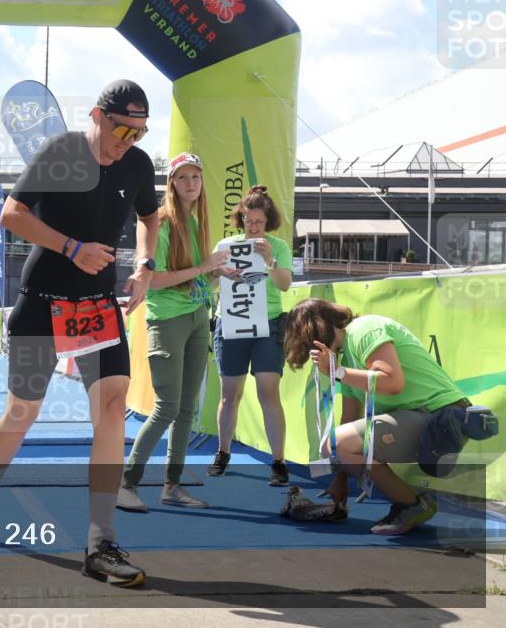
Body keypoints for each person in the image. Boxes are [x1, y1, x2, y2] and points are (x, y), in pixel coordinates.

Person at [0, 80, 160, 587]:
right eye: (122, 129)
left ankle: (100, 542)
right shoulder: (62, 153)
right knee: (22, 414)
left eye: (139, 132)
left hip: (97, 306)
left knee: (113, 408)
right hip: (43, 304)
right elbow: (11, 214)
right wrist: (72, 248)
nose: (128, 141)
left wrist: (145, 264)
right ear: (96, 116)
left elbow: (149, 215)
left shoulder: (138, 165)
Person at [283, 299, 467, 535]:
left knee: (335, 443)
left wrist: (337, 372)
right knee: (335, 443)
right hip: (423, 417)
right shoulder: (346, 359)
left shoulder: (363, 329)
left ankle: (411, 505)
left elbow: (393, 382)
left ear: (315, 330)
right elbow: (348, 423)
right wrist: (341, 479)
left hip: (441, 417)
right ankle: (409, 503)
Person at [117, 153, 230, 512]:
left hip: (198, 317)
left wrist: (218, 272)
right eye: (183, 177)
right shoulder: (162, 222)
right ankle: (126, 483)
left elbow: (198, 276)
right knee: (167, 408)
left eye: (196, 176)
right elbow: (154, 281)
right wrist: (204, 267)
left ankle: (172, 486)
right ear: (172, 183)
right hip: (167, 321)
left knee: (186, 410)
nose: (191, 183)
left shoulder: (196, 223)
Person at [208, 186, 293, 485]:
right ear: (240, 217)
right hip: (232, 324)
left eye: (259, 221)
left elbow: (284, 285)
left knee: (268, 391)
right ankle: (223, 452)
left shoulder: (278, 246)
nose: (253, 226)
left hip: (267, 324)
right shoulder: (225, 245)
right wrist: (218, 271)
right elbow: (209, 281)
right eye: (248, 220)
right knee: (230, 394)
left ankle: (278, 461)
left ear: (268, 221)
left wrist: (270, 262)